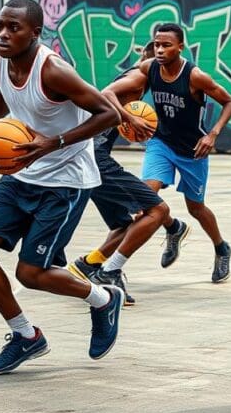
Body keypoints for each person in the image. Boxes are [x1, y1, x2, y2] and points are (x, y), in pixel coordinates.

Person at [0, 0, 124, 375]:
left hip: (65, 181)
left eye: (13, 28)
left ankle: (103, 299)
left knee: (30, 273)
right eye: (1, 25)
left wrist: (55, 142)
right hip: (21, 173)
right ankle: (26, 336)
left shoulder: (54, 72)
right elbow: (5, 91)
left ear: (35, 33)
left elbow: (109, 114)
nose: (3, 34)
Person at [107, 23, 231, 283]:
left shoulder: (195, 76)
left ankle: (221, 247)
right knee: (148, 201)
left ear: (180, 47)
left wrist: (212, 134)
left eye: (166, 45)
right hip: (161, 143)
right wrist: (127, 116)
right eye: (156, 44)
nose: (160, 49)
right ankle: (165, 232)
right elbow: (113, 89)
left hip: (192, 150)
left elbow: (230, 102)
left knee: (196, 208)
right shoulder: (149, 68)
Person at [67, 41, 186, 306]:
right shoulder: (137, 77)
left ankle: (89, 265)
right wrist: (129, 118)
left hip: (89, 158)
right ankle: (109, 271)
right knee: (158, 211)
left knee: (125, 225)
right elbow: (106, 93)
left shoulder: (140, 81)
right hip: (96, 159)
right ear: (147, 59)